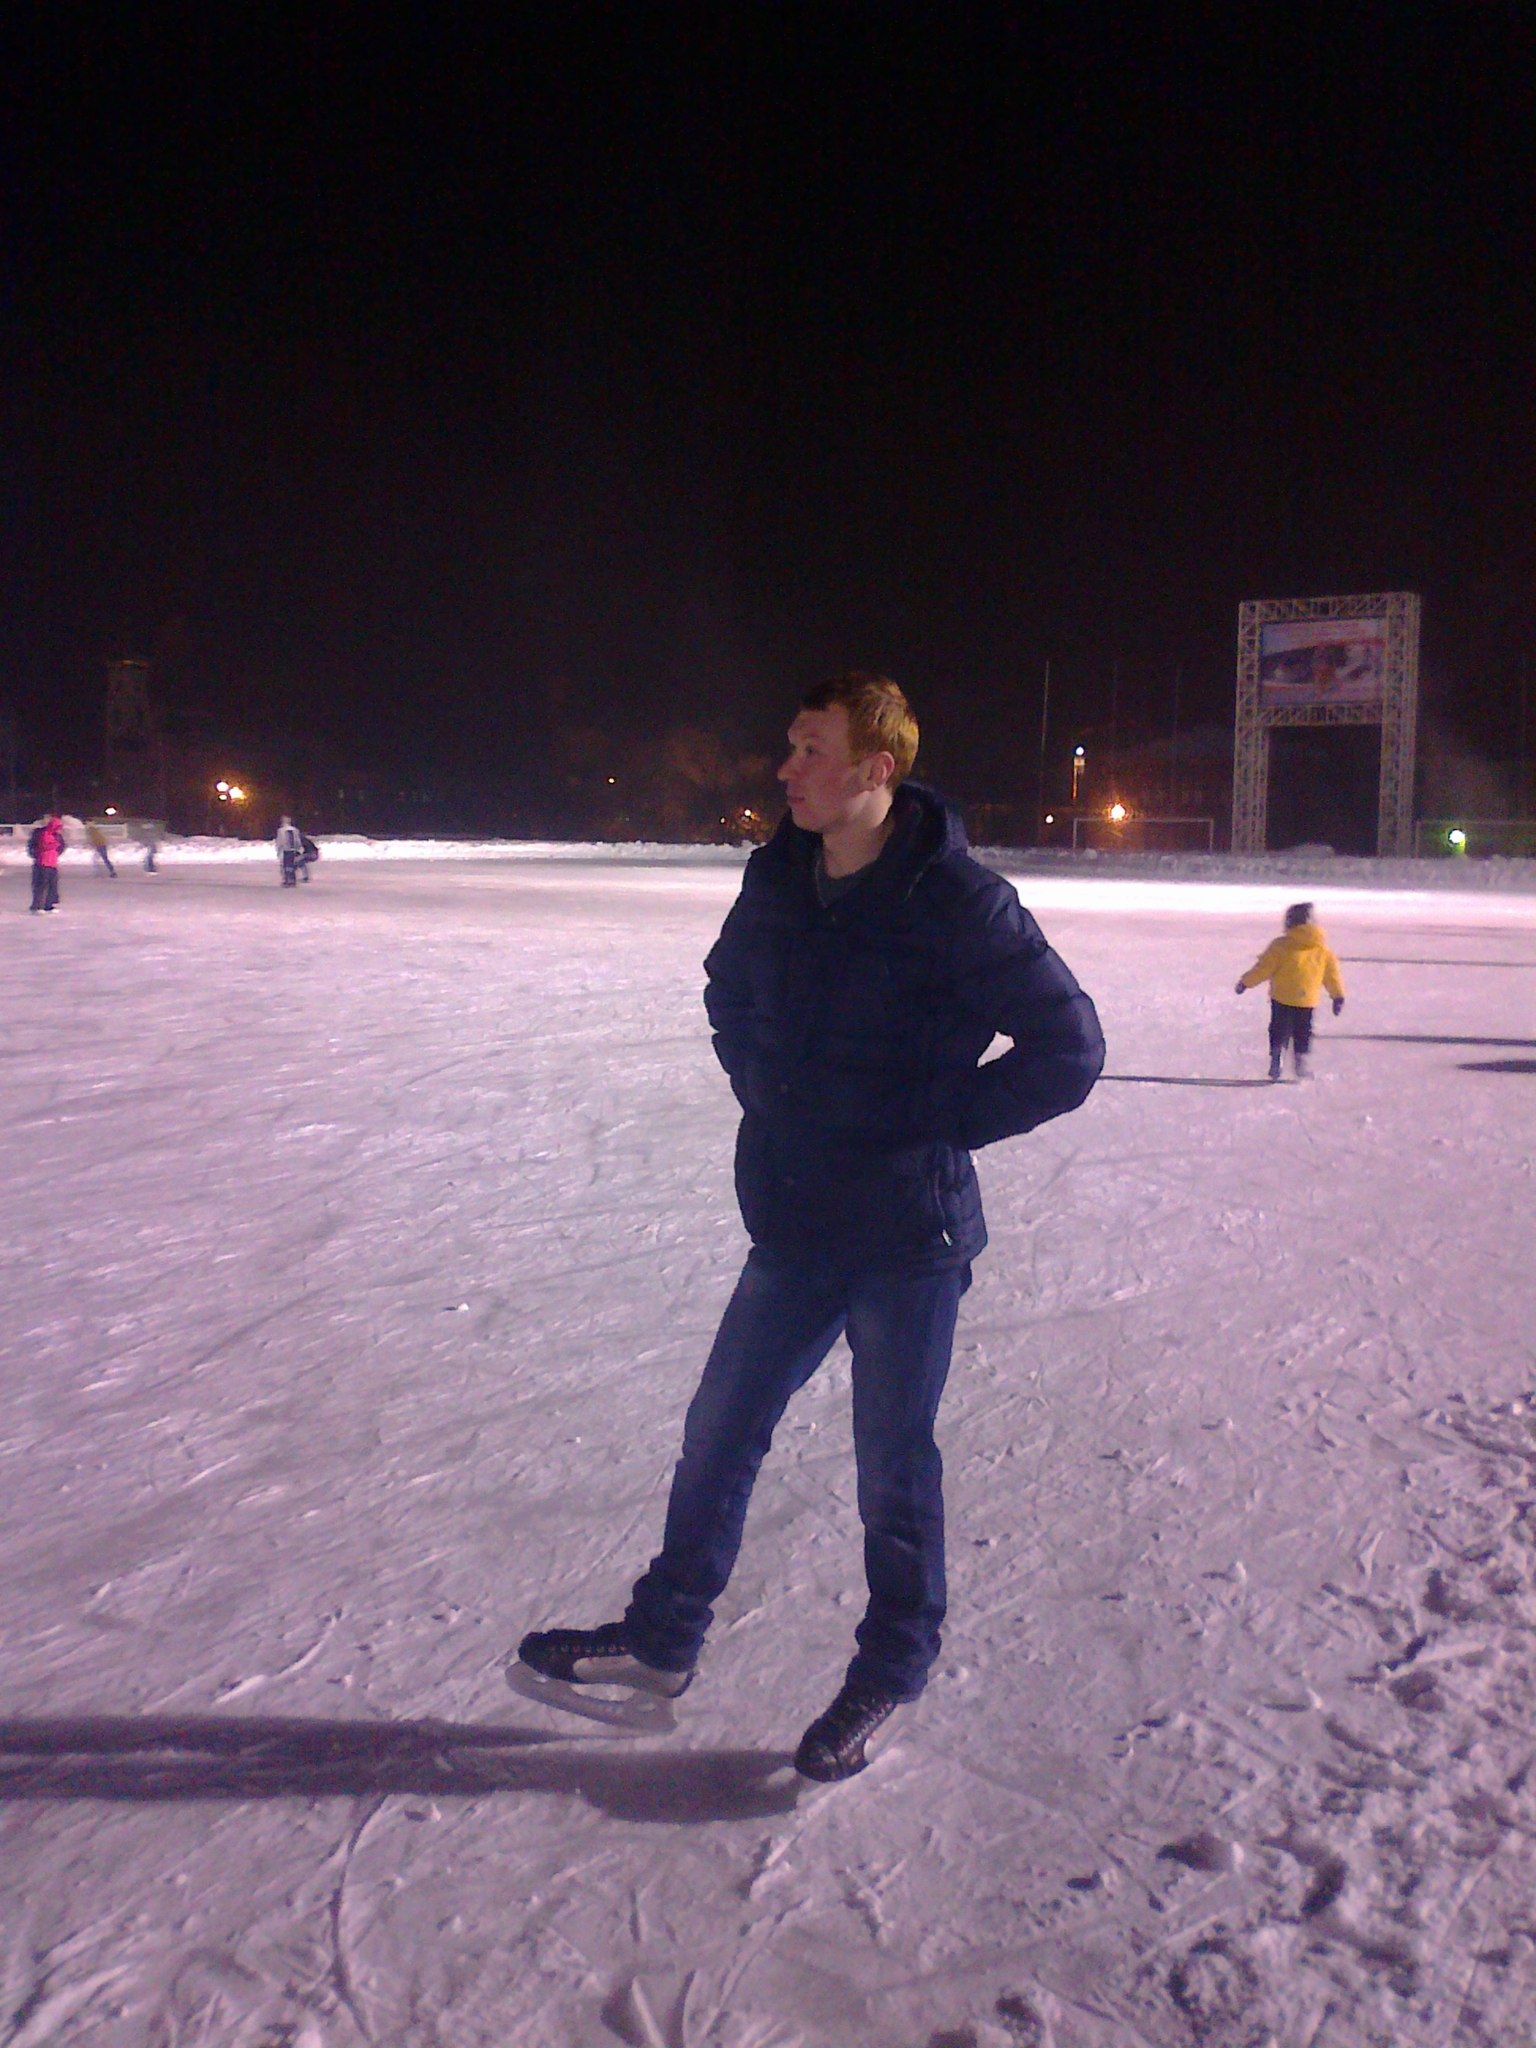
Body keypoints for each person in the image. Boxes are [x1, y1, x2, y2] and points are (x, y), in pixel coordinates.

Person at [518, 673, 1106, 1779]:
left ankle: (892, 1665)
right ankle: (661, 1642)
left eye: (810, 750)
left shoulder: (959, 900)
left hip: (908, 1236)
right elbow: (727, 990)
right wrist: (767, 1089)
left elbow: (1070, 1050)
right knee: (719, 1430)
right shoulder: (780, 874)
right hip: (794, 1216)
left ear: (876, 769)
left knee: (891, 1465)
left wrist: (934, 1124)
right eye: (787, 745)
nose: (786, 769)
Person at [1236, 900, 1345, 1080]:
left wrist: (1245, 982)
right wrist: (1337, 996)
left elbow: (1263, 968)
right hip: (1307, 1001)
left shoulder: (1280, 946)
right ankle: (1301, 1062)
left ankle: (1277, 1056)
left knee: (1278, 1029)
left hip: (1282, 998)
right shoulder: (1323, 951)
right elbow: (1332, 976)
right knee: (1303, 1032)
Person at [28, 812, 65, 913]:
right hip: (42, 863)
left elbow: (61, 846)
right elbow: (33, 845)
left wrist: (55, 854)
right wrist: (37, 854)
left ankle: (49, 904)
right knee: (41, 884)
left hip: (52, 863)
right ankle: (37, 905)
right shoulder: (40, 833)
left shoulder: (57, 835)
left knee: (52, 885)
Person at [275, 815, 306, 887]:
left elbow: (280, 841)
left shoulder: (281, 830)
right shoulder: (295, 830)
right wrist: (298, 848)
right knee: (292, 865)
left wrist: (278, 850)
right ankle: (293, 880)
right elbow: (297, 840)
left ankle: (287, 880)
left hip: (286, 850)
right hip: (293, 850)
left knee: (285, 866)